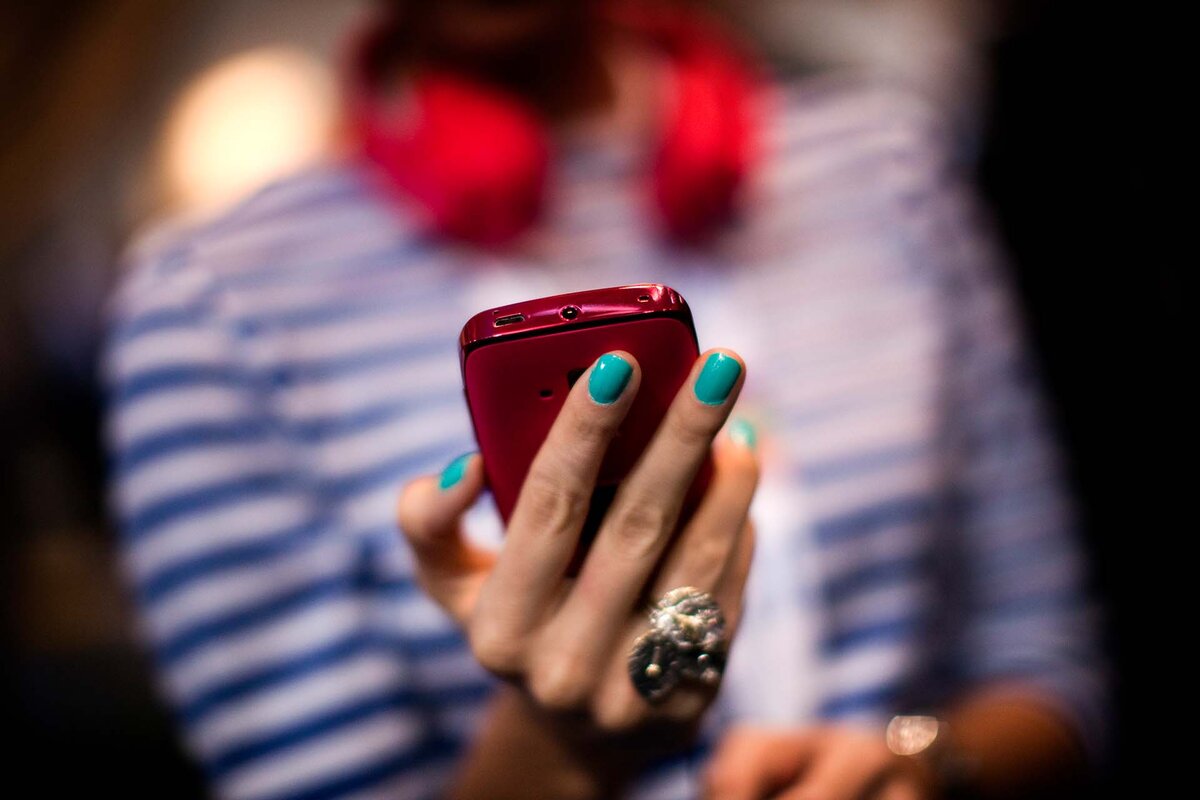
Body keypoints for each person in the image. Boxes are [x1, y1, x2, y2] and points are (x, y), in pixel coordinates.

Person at [103, 1, 1106, 797]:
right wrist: (565, 742)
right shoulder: (210, 305)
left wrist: (918, 766)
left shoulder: (881, 172)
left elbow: (1051, 669)